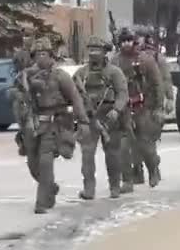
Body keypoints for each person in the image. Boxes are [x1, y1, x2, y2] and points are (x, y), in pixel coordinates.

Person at [26, 37, 90, 214]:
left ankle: (42, 202)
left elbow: (75, 98)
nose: (41, 58)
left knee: (46, 162)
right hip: (34, 124)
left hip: (54, 124)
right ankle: (50, 188)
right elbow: (17, 96)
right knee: (33, 164)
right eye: (37, 54)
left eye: (44, 54)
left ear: (51, 55)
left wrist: (83, 121)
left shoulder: (61, 76)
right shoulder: (27, 75)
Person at [73, 35, 131, 199]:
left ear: (104, 52)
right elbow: (72, 94)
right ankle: (89, 189)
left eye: (97, 50)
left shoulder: (114, 72)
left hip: (108, 116)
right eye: (90, 49)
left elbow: (122, 93)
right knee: (87, 154)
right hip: (89, 118)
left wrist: (117, 110)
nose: (93, 53)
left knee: (112, 153)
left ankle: (115, 186)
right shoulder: (81, 73)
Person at [110, 27, 164, 188]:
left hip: (143, 108)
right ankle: (129, 178)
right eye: (123, 41)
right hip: (124, 109)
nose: (126, 44)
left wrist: (158, 107)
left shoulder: (145, 60)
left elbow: (157, 84)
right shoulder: (115, 61)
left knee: (146, 146)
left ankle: (153, 170)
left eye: (129, 40)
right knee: (124, 148)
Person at [134, 25, 173, 183]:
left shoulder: (156, 58)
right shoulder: (131, 57)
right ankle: (137, 171)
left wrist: (169, 98)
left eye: (140, 37)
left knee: (147, 140)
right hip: (134, 105)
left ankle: (153, 166)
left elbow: (165, 79)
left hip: (151, 104)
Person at [11, 28, 36, 157]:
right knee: (23, 121)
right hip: (23, 91)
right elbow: (16, 71)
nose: (26, 39)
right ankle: (22, 141)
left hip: (37, 91)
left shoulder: (38, 53)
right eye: (24, 36)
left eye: (29, 36)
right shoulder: (19, 55)